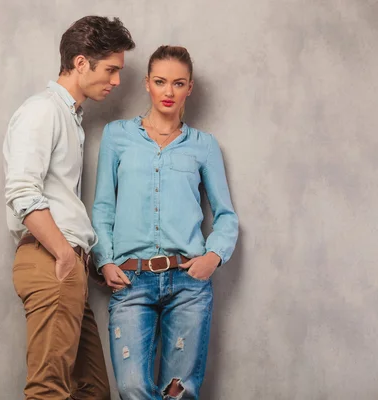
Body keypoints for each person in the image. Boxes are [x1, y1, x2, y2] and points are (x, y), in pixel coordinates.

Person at [91, 45, 239, 400]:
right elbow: (102, 207)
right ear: (147, 84)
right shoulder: (117, 136)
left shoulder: (203, 145)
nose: (168, 92)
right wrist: (105, 260)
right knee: (132, 388)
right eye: (160, 82)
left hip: (187, 282)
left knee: (179, 392)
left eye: (178, 83)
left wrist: (212, 258)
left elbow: (226, 217)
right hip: (131, 280)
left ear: (190, 87)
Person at [2, 16, 135, 400]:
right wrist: (63, 253)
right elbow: (23, 190)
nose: (116, 82)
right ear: (80, 63)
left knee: (91, 391)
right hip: (50, 260)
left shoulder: (70, 118)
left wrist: (83, 259)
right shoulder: (42, 111)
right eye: (111, 70)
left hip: (67, 262)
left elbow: (57, 197)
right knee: (48, 391)